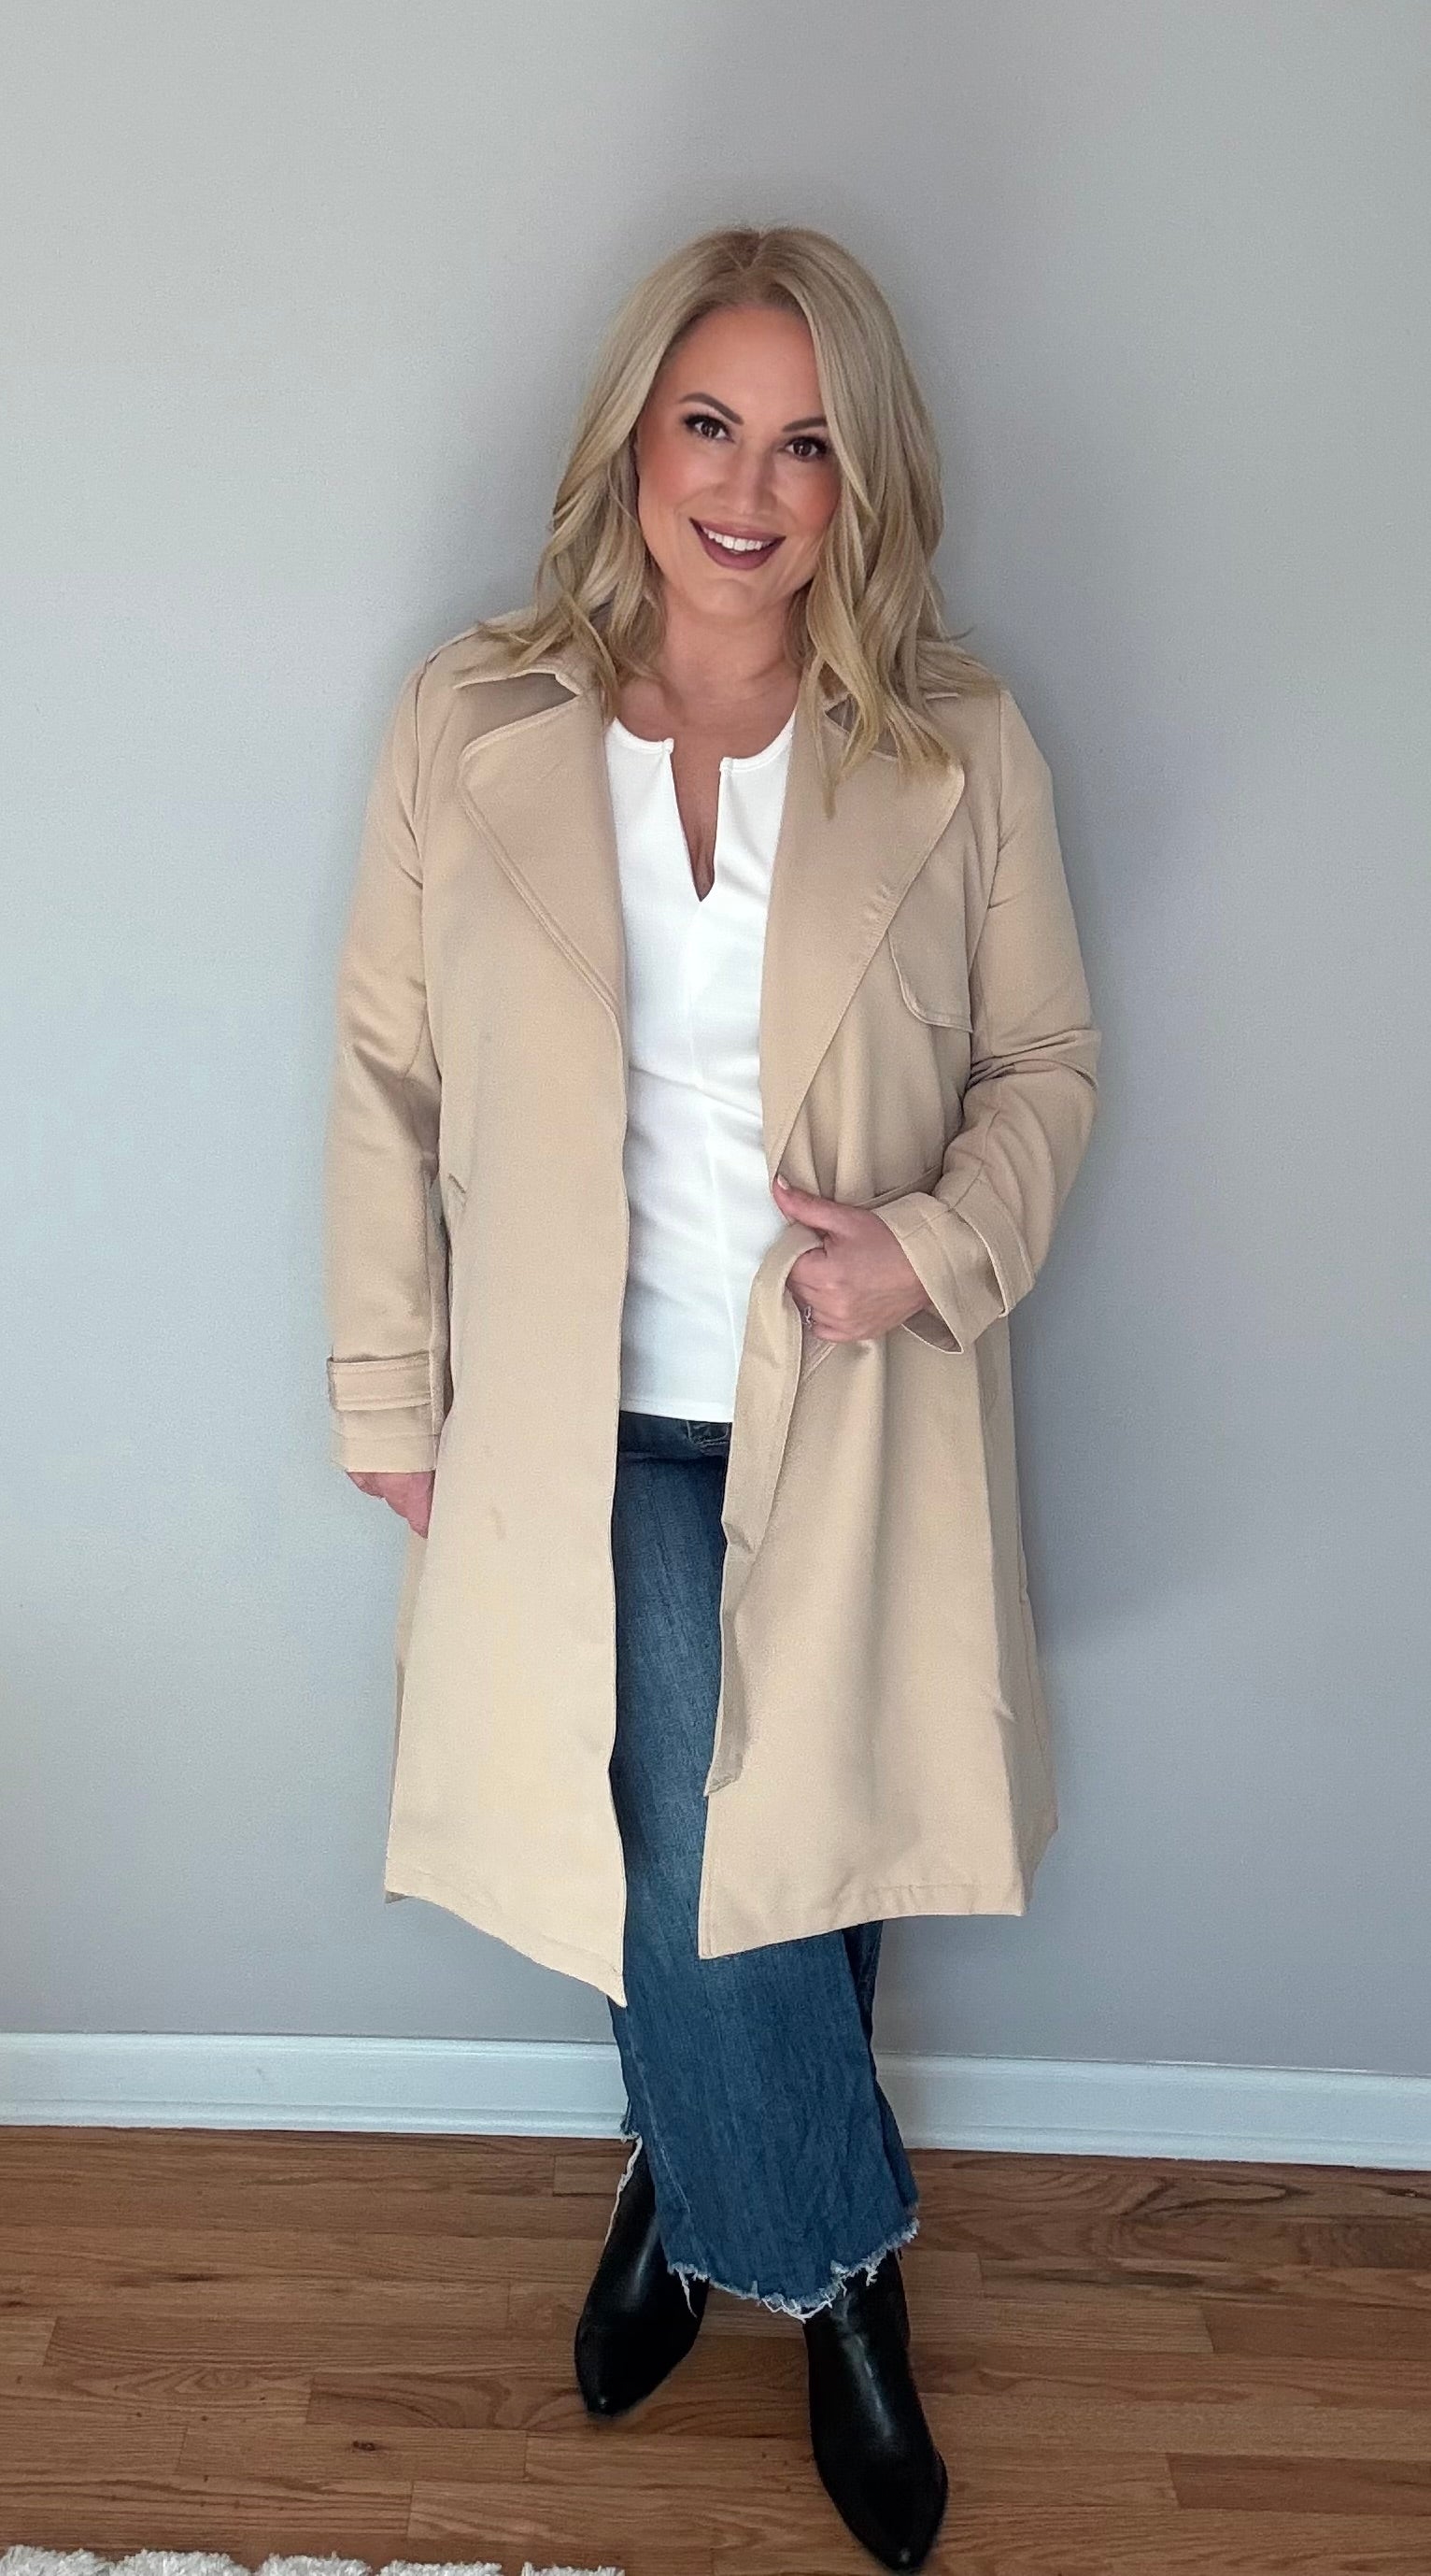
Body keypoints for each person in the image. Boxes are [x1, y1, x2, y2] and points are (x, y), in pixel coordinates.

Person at [322, 222, 1100, 2571]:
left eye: (805, 443)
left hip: (852, 1404)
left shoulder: (952, 745)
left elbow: (1050, 1064)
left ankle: (684, 2178)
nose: (747, 487)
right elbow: (384, 1072)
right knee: (693, 1855)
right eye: (709, 423)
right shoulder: (473, 719)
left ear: (863, 482)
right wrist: (388, 1380)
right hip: (580, 1413)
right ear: (637, 440)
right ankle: (841, 2272)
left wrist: (927, 1245)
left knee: (800, 1850)